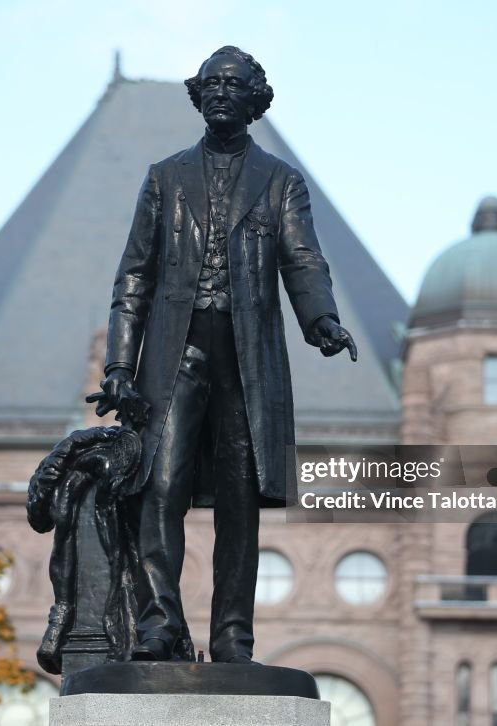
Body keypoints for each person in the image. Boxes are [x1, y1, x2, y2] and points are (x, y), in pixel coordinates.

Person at [90, 46, 358, 664]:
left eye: (232, 85)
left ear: (254, 99)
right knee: (161, 486)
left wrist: (321, 320)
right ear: (199, 94)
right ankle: (160, 625)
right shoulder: (164, 177)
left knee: (240, 501)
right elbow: (134, 277)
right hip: (174, 353)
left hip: (246, 357)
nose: (219, 93)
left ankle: (233, 636)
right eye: (209, 84)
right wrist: (118, 366)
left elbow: (303, 259)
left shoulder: (281, 181)